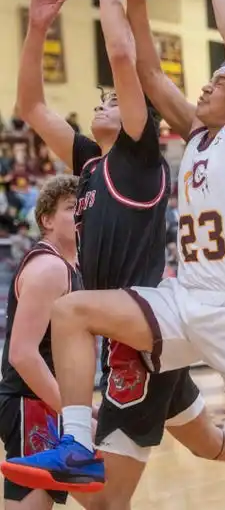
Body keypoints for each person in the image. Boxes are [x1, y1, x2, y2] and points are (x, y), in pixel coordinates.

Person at [1, 0, 225, 491]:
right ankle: (77, 444)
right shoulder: (196, 134)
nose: (207, 85)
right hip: (181, 298)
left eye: (220, 80)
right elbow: (152, 71)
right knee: (71, 311)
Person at [0, 175, 85, 509]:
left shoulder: (72, 266)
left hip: (45, 400)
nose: (79, 213)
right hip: (29, 402)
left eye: (82, 207)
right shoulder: (49, 267)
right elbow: (22, 354)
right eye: (69, 207)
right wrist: (72, 410)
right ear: (46, 220)